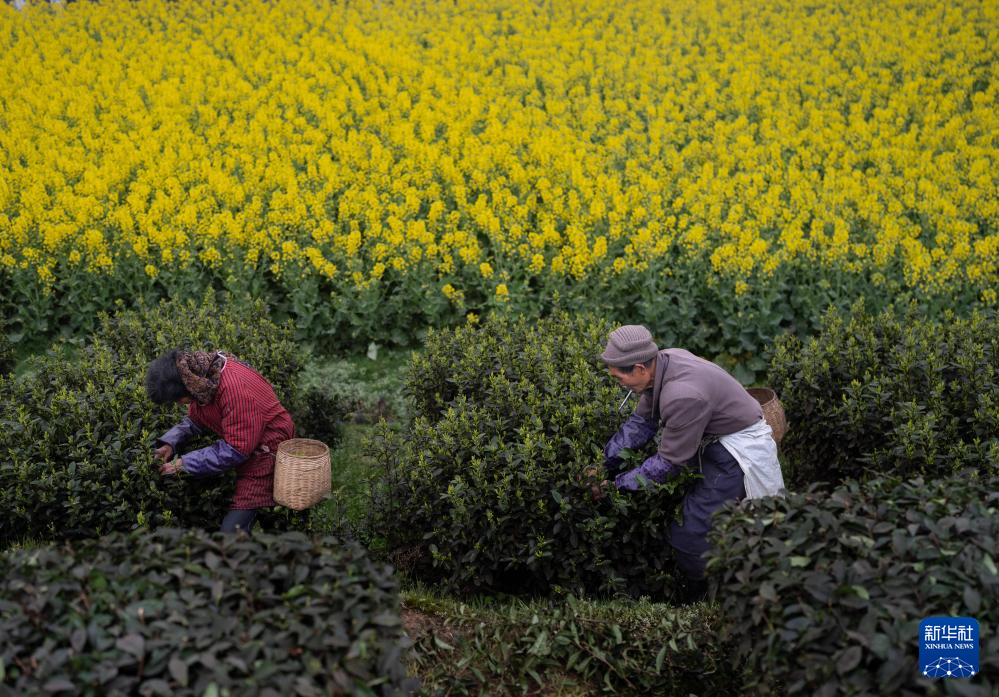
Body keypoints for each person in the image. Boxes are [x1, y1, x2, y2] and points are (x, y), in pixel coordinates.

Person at [598, 325, 784, 604]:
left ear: (639, 368)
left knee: (692, 534)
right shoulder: (662, 363)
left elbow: (667, 464)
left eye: (619, 378)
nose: (619, 384)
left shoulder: (683, 394)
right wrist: (603, 464)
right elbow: (641, 424)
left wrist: (615, 486)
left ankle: (704, 600)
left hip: (736, 451)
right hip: (714, 438)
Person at [145, 349, 294, 533]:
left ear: (186, 388)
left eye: (177, 399)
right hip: (248, 442)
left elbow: (235, 449)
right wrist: (169, 442)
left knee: (231, 532)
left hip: (268, 452)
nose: (178, 404)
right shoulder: (202, 378)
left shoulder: (234, 390)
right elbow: (197, 419)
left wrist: (184, 463)